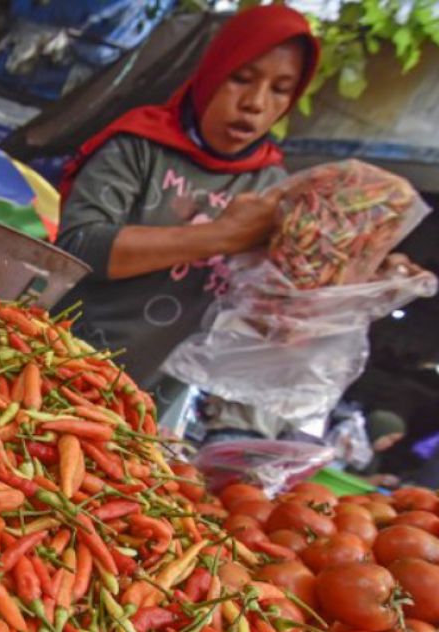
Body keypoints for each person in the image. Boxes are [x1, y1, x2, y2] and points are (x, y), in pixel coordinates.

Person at [53, 5, 319, 413]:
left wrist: (359, 284)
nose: (255, 103)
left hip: (145, 403)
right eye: (241, 78)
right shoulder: (138, 145)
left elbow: (269, 311)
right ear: (213, 71)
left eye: (280, 89)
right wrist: (219, 236)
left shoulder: (273, 189)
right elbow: (78, 247)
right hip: (55, 366)